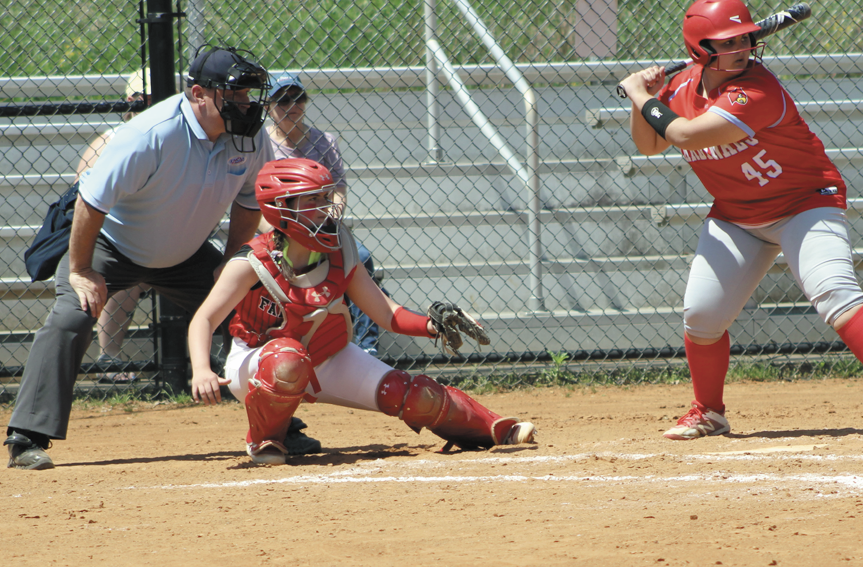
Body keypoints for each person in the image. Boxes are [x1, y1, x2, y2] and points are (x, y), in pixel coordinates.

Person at [617, 0, 863, 440]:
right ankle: (708, 411)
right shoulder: (681, 89)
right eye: (728, 42)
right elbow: (650, 145)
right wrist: (644, 101)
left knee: (835, 292)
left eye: (745, 38)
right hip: (736, 216)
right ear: (699, 50)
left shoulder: (756, 90)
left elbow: (683, 135)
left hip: (803, 203)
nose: (743, 48)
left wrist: (634, 92)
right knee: (702, 317)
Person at [5, 46, 276, 470]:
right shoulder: (152, 134)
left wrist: (230, 260)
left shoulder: (250, 135)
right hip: (112, 245)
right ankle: (25, 437)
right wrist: (80, 270)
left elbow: (249, 201)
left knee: (250, 309)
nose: (246, 105)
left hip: (185, 253)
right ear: (200, 94)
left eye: (248, 95)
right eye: (235, 95)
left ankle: (277, 422)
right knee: (71, 316)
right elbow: (90, 203)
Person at [187, 158, 536, 465]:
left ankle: (493, 428)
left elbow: (387, 314)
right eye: (313, 200)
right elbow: (204, 319)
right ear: (281, 208)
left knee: (414, 395)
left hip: (327, 356)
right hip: (258, 364)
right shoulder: (252, 262)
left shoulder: (341, 249)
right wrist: (202, 369)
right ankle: (266, 437)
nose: (327, 208)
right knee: (287, 359)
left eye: (327, 197)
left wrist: (431, 326)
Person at [262, 72, 383, 356]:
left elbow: (338, 186)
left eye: (297, 98)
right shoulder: (260, 143)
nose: (291, 105)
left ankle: (367, 349)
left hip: (319, 224)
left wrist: (331, 215)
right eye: (282, 100)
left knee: (360, 259)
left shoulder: (324, 141)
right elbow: (252, 195)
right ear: (268, 106)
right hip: (278, 227)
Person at [75, 68, 154, 384]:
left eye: (149, 100)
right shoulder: (109, 141)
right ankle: (109, 359)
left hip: (168, 242)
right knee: (126, 274)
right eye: (138, 100)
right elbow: (81, 199)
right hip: (118, 240)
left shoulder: (179, 142)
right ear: (127, 102)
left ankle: (200, 358)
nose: (142, 106)